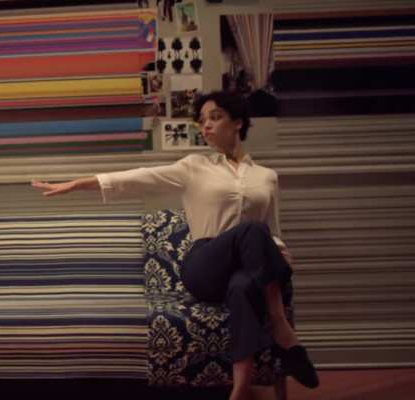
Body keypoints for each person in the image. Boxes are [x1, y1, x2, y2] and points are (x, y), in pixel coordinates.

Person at [31, 90, 319, 400]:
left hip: (245, 268)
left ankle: (238, 391)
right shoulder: (194, 167)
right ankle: (281, 328)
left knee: (242, 287)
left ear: (238, 122)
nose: (205, 125)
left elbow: (272, 231)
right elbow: (138, 177)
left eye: (215, 118)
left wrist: (279, 249)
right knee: (252, 230)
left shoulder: (267, 177)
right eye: (202, 120)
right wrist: (77, 184)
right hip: (205, 267)